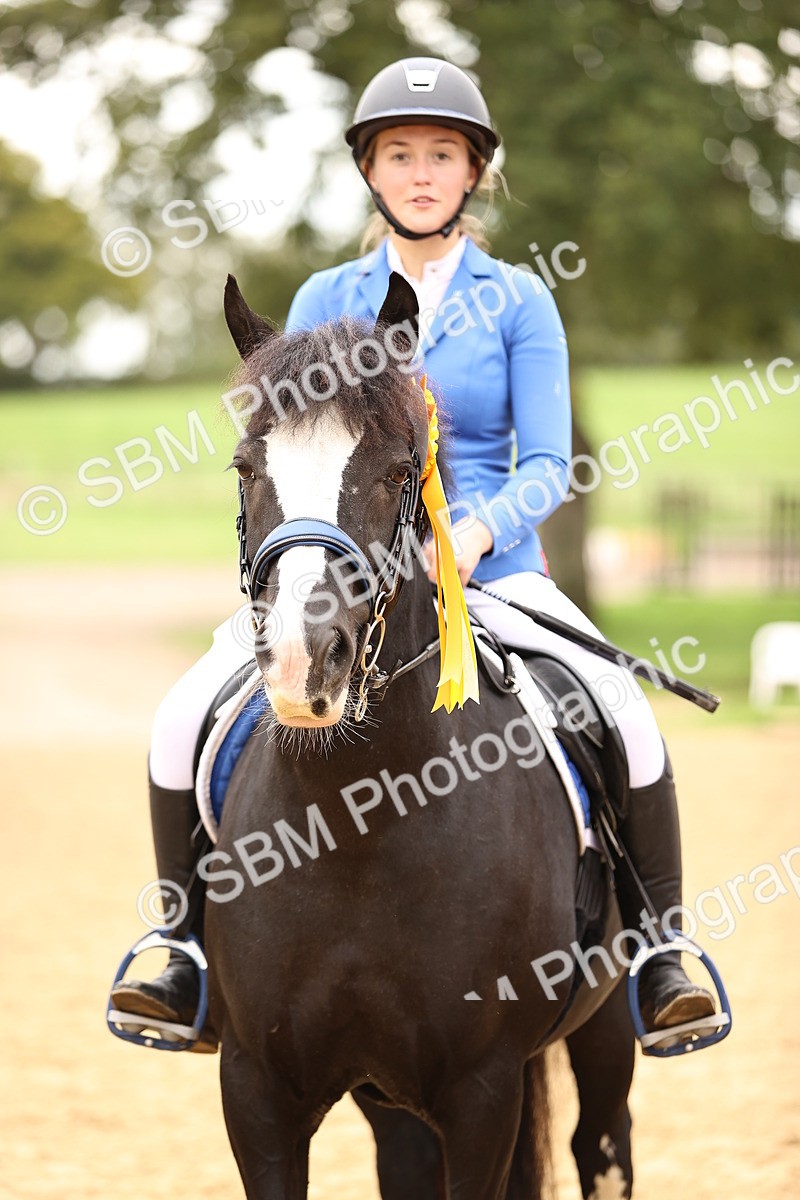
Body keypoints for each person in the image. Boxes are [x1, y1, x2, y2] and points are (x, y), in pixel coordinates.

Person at [111, 57, 718, 1048]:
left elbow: (548, 457)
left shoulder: (519, 300)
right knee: (182, 715)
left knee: (624, 712)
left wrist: (471, 535)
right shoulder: (320, 295)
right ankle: (182, 952)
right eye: (400, 155)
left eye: (442, 155)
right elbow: (291, 445)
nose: (421, 173)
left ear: (474, 172)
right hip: (343, 571)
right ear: (370, 172)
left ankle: (659, 954)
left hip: (493, 567)